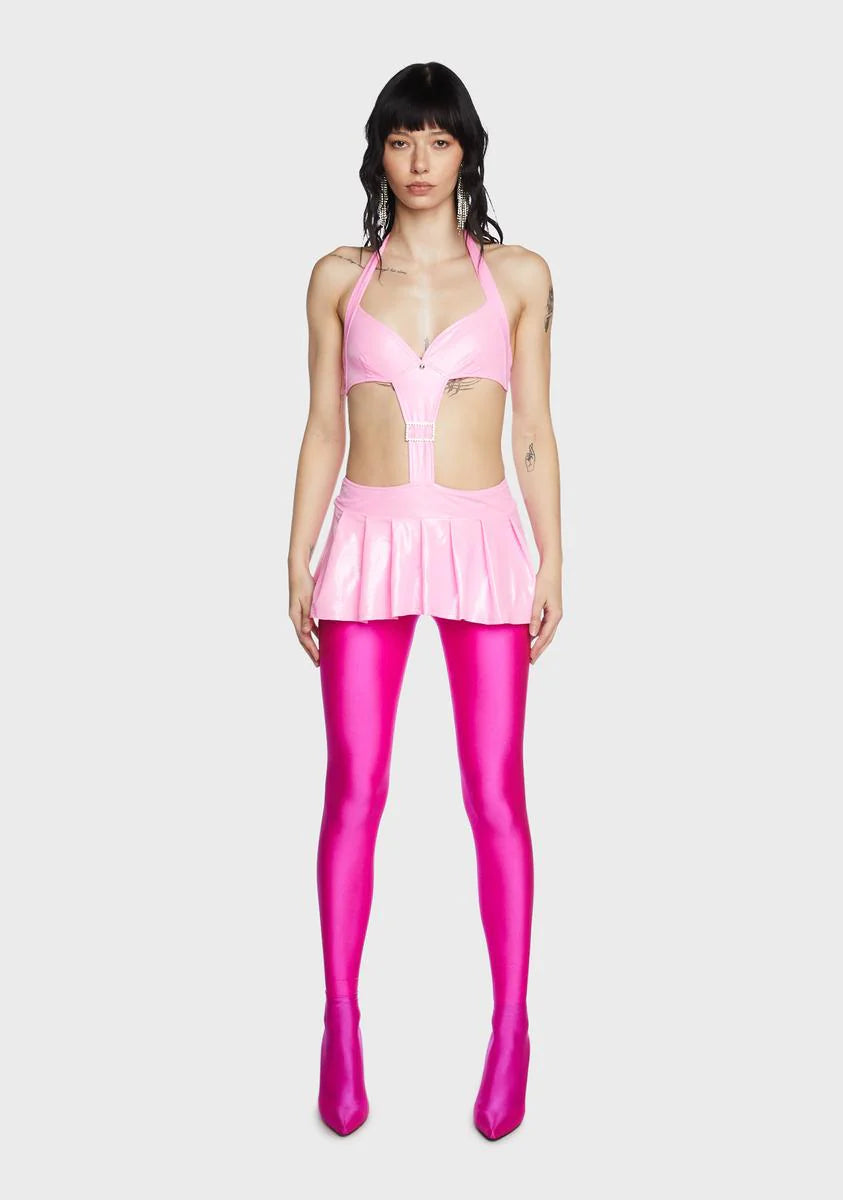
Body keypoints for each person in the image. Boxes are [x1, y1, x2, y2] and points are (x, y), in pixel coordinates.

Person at [287, 62, 564, 1140]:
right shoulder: (336, 278)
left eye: (438, 141)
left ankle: (511, 1029)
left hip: (483, 544)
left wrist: (551, 558)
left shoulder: (520, 276)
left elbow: (532, 429)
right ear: (378, 152)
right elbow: (323, 423)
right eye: (401, 140)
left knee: (495, 792)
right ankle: (340, 1024)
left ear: (465, 154)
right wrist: (298, 552)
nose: (418, 161)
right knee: (354, 788)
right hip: (365, 542)